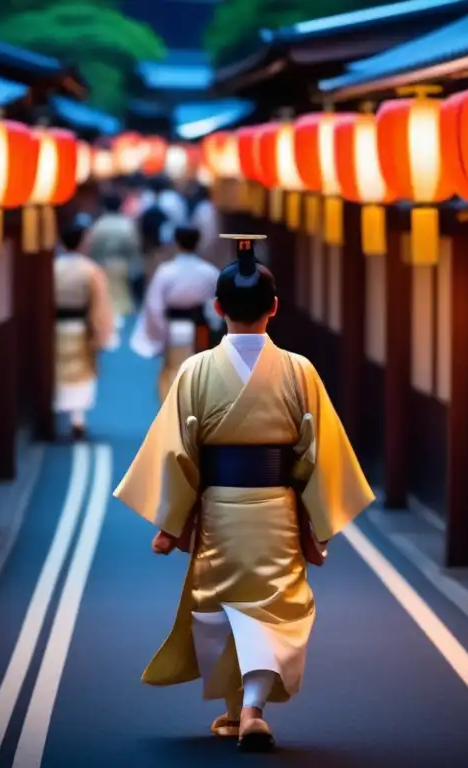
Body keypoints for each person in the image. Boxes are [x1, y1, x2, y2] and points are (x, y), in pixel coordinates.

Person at [114, 234, 374, 752]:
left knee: (222, 606)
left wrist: (171, 525)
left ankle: (246, 710)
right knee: (274, 607)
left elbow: (177, 452)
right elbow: (316, 454)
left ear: (217, 308)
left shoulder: (194, 370)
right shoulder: (300, 371)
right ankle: (244, 709)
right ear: (274, 308)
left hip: (220, 512)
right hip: (275, 509)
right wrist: (312, 525)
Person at [129, 224, 223, 401]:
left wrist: (161, 331)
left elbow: (154, 306)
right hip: (200, 327)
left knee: (173, 371)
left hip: (173, 328)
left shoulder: (166, 271)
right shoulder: (209, 272)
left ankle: (173, 412)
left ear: (177, 243)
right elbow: (216, 304)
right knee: (197, 372)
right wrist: (213, 328)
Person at [53, 215, 114, 439]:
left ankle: (56, 416)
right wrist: (100, 333)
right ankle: (77, 419)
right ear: (81, 242)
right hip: (79, 328)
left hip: (55, 328)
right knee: (80, 374)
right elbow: (99, 305)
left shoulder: (53, 267)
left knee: (57, 372)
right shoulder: (90, 270)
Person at [87, 191, 138, 325]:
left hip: (101, 264)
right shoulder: (127, 224)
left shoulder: (98, 225)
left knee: (105, 296)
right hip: (122, 265)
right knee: (121, 298)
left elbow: (92, 247)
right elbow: (133, 247)